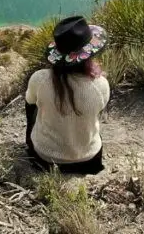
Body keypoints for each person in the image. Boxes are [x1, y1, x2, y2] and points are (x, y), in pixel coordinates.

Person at [25, 15, 110, 175]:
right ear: (89, 53)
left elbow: (29, 102)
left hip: (46, 159)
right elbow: (99, 110)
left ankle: (33, 141)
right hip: (88, 159)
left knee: (33, 104)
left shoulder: (40, 79)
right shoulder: (101, 85)